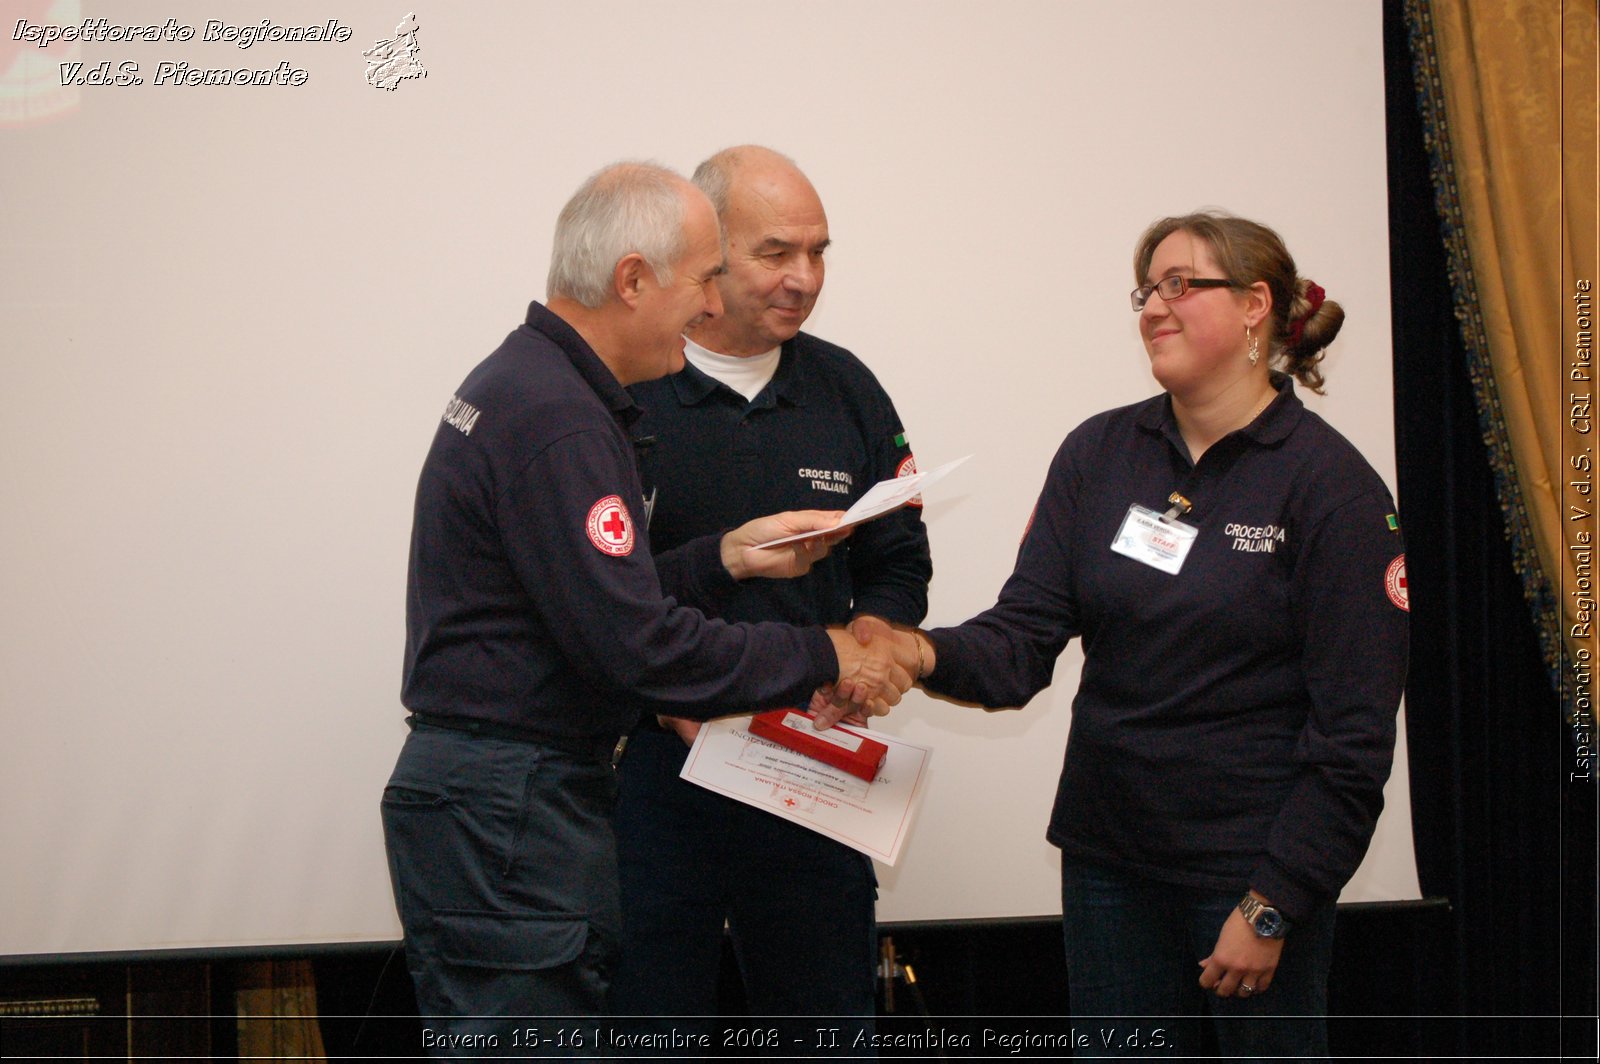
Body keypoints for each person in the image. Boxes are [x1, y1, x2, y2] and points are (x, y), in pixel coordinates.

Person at [380, 161, 911, 1050]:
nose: (710, 306)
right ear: (633, 280)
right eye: (706, 277)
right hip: (518, 799)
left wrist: (722, 560)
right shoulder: (562, 418)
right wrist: (827, 654)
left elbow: (588, 602)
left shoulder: (535, 384)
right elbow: (640, 646)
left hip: (511, 795)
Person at [869, 211, 1408, 1057]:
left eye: (1181, 285)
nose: (1154, 307)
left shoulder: (1331, 488)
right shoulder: (1100, 453)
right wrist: (914, 650)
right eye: (1147, 289)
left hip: (1249, 874)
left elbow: (1354, 737)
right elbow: (1020, 642)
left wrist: (1275, 904)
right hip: (1109, 867)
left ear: (1256, 306)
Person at [606, 147, 931, 1030]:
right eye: (777, 252)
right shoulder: (629, 392)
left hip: (807, 765)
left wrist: (868, 647)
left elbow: (900, 558)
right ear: (710, 256)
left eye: (820, 252)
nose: (805, 278)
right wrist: (667, 699)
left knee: (826, 1027)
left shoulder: (847, 387)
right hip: (654, 781)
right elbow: (596, 599)